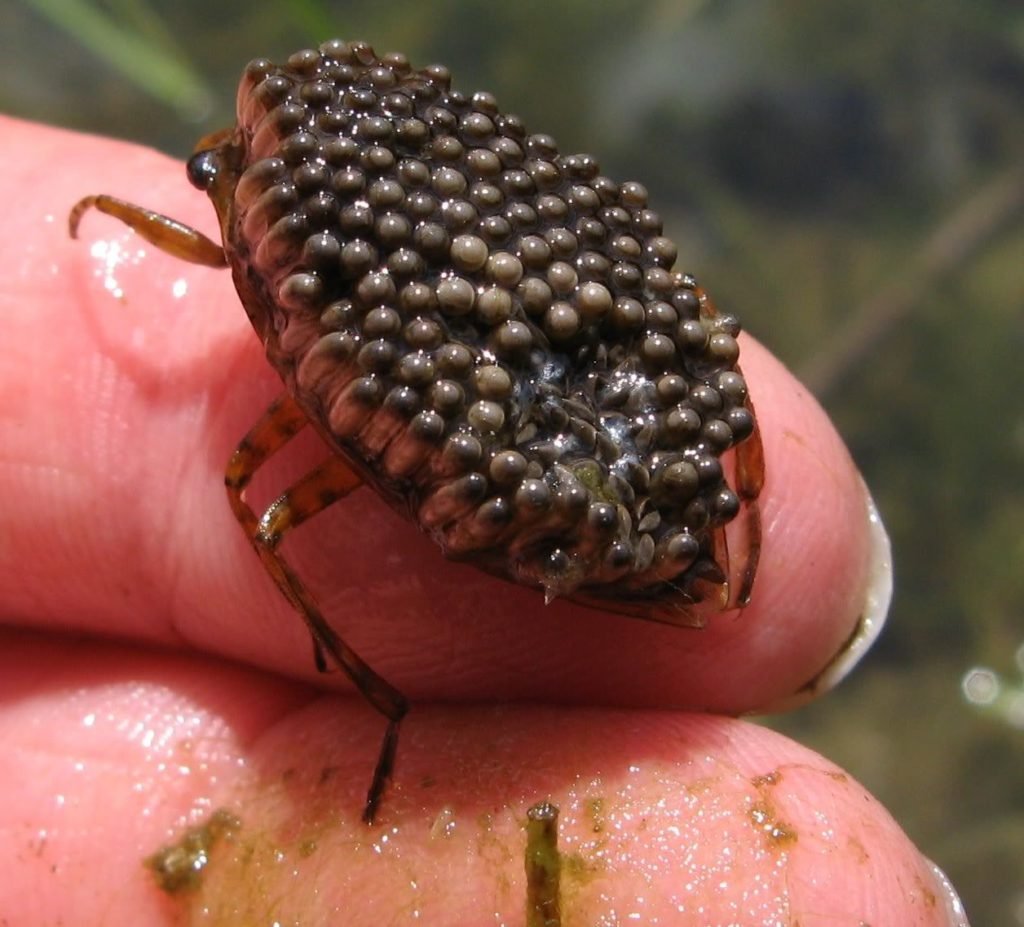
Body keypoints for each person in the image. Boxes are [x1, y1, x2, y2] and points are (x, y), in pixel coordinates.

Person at [0, 115, 968, 925]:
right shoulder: (356, 264)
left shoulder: (341, 272)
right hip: (529, 473)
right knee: (259, 505)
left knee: (258, 505)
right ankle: (394, 702)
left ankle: (391, 702)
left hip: (533, 466)